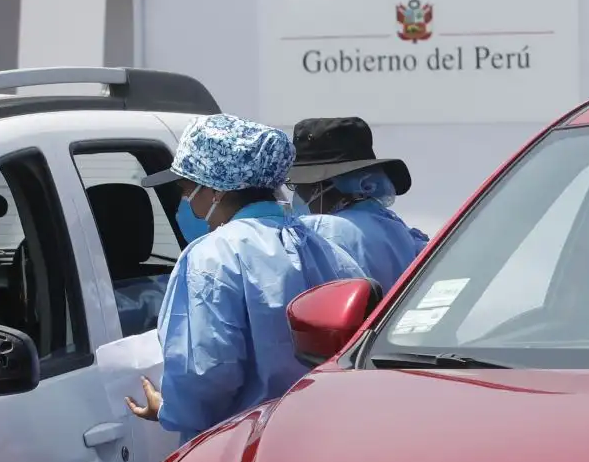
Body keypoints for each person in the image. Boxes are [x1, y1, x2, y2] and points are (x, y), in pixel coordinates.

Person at [125, 114, 369, 444]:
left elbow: (206, 372)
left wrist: (170, 410)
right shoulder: (324, 248)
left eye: (186, 189)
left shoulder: (212, 257)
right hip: (321, 437)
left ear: (215, 190)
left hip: (239, 446)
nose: (185, 202)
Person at [286, 117, 430, 291]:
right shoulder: (395, 226)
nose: (297, 193)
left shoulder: (322, 233)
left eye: (299, 185)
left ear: (321, 186)